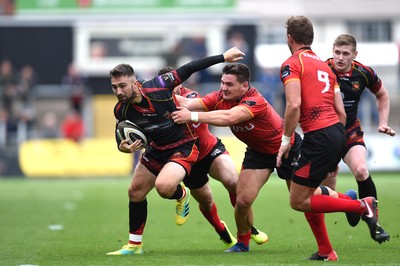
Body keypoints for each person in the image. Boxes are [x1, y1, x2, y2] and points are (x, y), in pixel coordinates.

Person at [106, 47, 245, 255]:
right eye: (114, 87)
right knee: (135, 191)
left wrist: (223, 57)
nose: (118, 92)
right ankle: (134, 245)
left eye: (122, 86)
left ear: (134, 83)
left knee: (164, 188)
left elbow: (190, 67)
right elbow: (122, 134)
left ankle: (181, 194)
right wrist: (122, 147)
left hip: (183, 146)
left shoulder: (158, 86)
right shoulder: (121, 109)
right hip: (155, 149)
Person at [276, 15, 382, 261]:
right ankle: (326, 250)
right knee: (310, 192)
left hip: (319, 135)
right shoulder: (325, 67)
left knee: (298, 200)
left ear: (289, 38)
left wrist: (285, 141)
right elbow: (342, 112)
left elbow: (293, 106)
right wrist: (335, 146)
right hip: (336, 131)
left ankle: (361, 206)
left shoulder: (293, 63)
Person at [171, 63, 302, 252]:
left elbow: (229, 118)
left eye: (229, 84)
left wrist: (192, 116)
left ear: (244, 86)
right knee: (242, 201)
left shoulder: (254, 100)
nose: (223, 87)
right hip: (258, 152)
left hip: (287, 149)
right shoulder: (219, 97)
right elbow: (185, 103)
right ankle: (242, 243)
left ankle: (351, 202)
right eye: (222, 82)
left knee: (302, 202)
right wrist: (152, 93)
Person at [159, 67, 268, 248]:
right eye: (164, 86)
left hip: (209, 150)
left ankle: (250, 228)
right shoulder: (155, 106)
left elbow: (188, 105)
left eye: (173, 84)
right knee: (206, 202)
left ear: (179, 84)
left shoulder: (191, 96)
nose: (170, 88)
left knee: (233, 183)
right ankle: (222, 232)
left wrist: (156, 100)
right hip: (188, 160)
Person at [324, 33, 394, 242]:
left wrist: (383, 122)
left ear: (355, 54)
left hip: (350, 130)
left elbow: (382, 94)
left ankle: (374, 223)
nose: (340, 57)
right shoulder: (322, 70)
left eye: (346, 53)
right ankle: (351, 202)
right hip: (326, 133)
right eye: (337, 52)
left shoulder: (364, 73)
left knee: (362, 169)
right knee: (326, 193)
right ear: (332, 52)